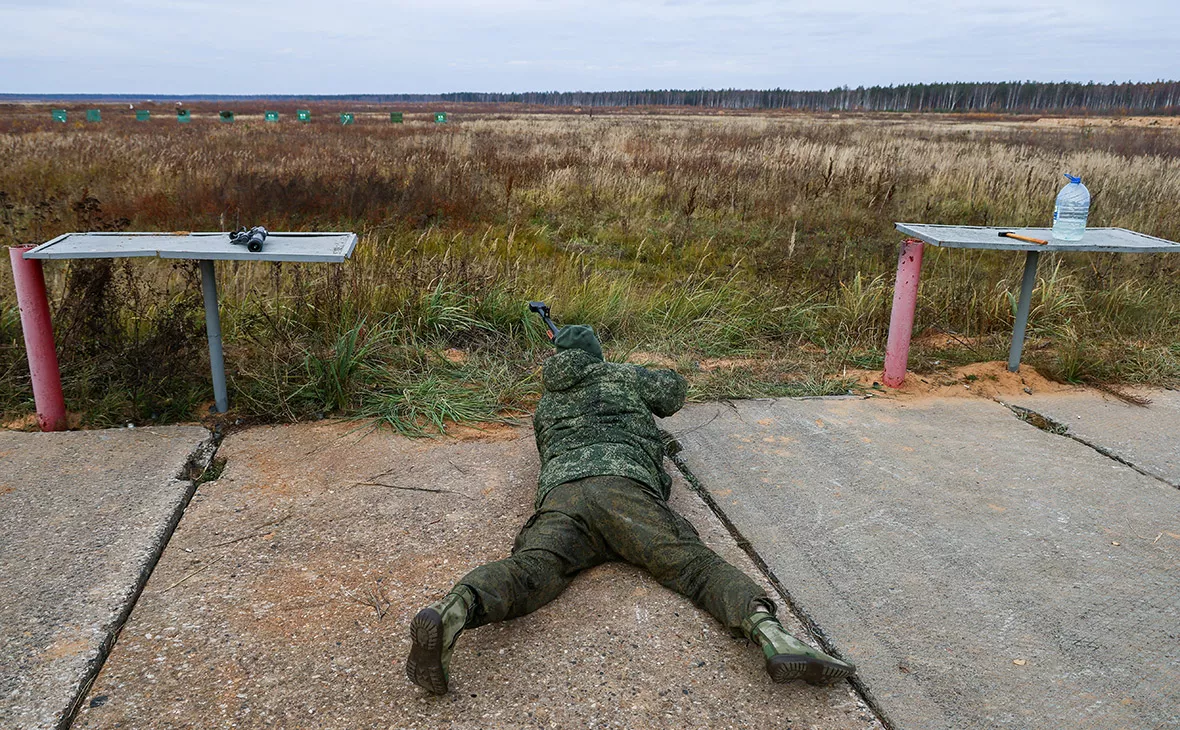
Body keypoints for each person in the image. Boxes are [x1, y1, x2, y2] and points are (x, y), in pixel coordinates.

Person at [406, 324, 856, 694]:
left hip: (563, 496)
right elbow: (673, 392)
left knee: (531, 569)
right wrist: (639, 374)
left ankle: (455, 609)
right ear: (597, 355)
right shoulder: (620, 375)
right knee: (693, 567)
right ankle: (771, 633)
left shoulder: (544, 406)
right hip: (625, 489)